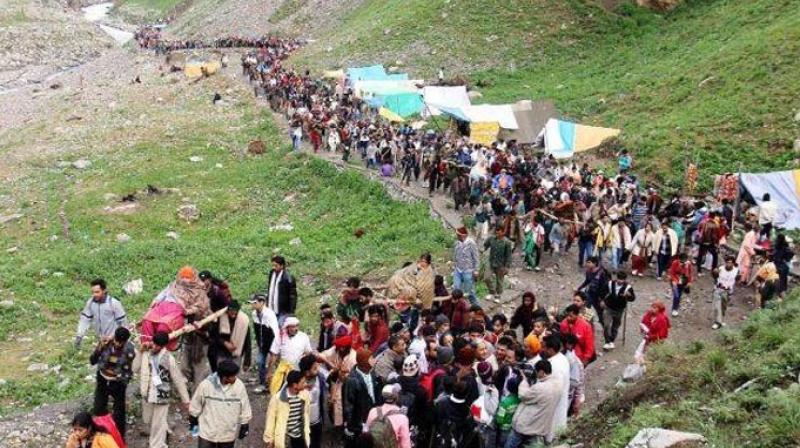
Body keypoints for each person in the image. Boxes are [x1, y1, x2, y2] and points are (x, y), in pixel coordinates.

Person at [135, 332, 190, 448]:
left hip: (161, 396)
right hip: (147, 394)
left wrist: (186, 400)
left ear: (163, 346)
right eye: (154, 344)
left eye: (158, 346)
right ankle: (162, 435)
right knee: (149, 420)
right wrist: (139, 352)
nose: (154, 347)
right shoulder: (145, 354)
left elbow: (178, 380)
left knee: (157, 424)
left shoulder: (169, 359)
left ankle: (156, 444)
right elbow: (134, 368)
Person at [189, 360, 252, 448]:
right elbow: (195, 404)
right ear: (224, 377)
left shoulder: (239, 386)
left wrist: (245, 424)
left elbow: (245, 406)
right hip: (207, 433)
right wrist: (193, 419)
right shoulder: (206, 385)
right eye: (232, 376)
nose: (235, 378)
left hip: (227, 433)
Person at [90, 326, 135, 440]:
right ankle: (99, 436)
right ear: (114, 337)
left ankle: (119, 438)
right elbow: (92, 360)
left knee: (119, 412)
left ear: (125, 341)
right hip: (103, 379)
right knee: (99, 408)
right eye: (116, 341)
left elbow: (128, 371)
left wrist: (122, 383)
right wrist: (100, 347)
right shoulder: (106, 343)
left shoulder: (129, 351)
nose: (118, 344)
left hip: (118, 382)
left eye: (121, 343)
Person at [505, 360, 562, 448]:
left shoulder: (540, 387)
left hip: (525, 426)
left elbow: (523, 395)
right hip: (539, 428)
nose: (535, 374)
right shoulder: (558, 384)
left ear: (542, 372)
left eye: (537, 371)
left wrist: (524, 381)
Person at [343, 348, 383, 448]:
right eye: (371, 359)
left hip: (372, 417)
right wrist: (349, 425)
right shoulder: (352, 380)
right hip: (359, 420)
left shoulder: (373, 374)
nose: (374, 361)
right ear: (364, 362)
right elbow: (349, 404)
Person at [318, 335, 357, 429]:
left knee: (344, 404)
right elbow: (320, 355)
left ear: (347, 347)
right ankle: (337, 424)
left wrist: (340, 372)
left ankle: (345, 425)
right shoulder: (335, 349)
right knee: (333, 403)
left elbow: (351, 375)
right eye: (339, 347)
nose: (339, 349)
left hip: (347, 383)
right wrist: (330, 364)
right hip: (335, 381)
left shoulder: (353, 357)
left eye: (342, 347)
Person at [75, 279, 128, 349]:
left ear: (104, 291)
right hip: (101, 341)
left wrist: (116, 338)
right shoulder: (90, 303)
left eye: (97, 292)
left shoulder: (114, 303)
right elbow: (85, 320)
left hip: (114, 341)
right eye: (92, 292)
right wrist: (79, 336)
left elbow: (123, 323)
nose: (94, 295)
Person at [263, 370, 310, 448]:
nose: (305, 384)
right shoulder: (277, 399)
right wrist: (270, 439)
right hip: (284, 437)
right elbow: (270, 419)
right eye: (303, 383)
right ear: (295, 385)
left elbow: (306, 414)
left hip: (299, 436)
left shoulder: (305, 395)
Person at [269, 316, 313, 394]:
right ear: (287, 327)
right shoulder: (280, 336)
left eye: (297, 326)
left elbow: (308, 353)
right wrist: (269, 372)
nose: (295, 328)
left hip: (298, 369)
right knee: (278, 390)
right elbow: (274, 355)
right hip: (283, 368)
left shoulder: (303, 337)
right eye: (293, 326)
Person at [540, 335, 569, 442]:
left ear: (551, 349)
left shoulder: (554, 366)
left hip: (554, 405)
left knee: (552, 432)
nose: (542, 350)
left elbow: (553, 390)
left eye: (544, 347)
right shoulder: (562, 358)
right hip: (558, 403)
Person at [252, 294, 280, 393]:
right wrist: (259, 344)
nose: (253, 305)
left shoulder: (269, 314)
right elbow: (256, 330)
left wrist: (274, 350)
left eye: (255, 303)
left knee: (275, 363)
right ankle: (263, 383)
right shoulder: (254, 314)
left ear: (262, 302)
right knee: (260, 362)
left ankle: (276, 382)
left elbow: (275, 333)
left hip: (272, 341)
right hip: (262, 343)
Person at [601, 271, 635, 350]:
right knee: (606, 325)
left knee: (615, 326)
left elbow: (632, 298)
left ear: (625, 280)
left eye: (622, 279)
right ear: (616, 278)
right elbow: (603, 292)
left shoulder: (628, 287)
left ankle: (612, 340)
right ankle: (607, 341)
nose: (620, 281)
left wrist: (628, 296)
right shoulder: (610, 283)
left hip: (619, 309)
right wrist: (602, 300)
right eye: (619, 279)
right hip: (608, 307)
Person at [218, 300, 251, 368]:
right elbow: (214, 335)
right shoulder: (221, 318)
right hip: (222, 353)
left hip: (237, 354)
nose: (233, 313)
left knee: (233, 376)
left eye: (235, 311)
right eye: (231, 311)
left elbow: (247, 341)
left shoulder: (243, 321)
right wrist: (225, 343)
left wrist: (247, 362)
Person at [266, 255, 298, 323]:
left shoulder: (288, 278)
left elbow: (292, 296)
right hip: (271, 309)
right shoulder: (272, 273)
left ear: (282, 266)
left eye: (276, 266)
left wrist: (291, 312)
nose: (274, 268)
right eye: (273, 265)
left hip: (282, 311)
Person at [454, 226, 480, 306]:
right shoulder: (457, 243)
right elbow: (455, 255)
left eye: (458, 234)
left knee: (470, 291)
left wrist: (476, 270)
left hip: (468, 270)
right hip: (458, 269)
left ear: (463, 235)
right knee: (456, 288)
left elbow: (476, 257)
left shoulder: (471, 243)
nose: (456, 236)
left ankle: (476, 307)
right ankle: (458, 306)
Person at [484, 227, 513, 295]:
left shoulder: (507, 242)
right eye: (496, 231)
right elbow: (485, 245)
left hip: (501, 265)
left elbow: (508, 255)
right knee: (486, 278)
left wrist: (507, 267)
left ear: (503, 232)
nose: (497, 233)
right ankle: (492, 292)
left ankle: (498, 295)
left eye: (498, 231)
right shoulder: (491, 238)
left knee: (499, 282)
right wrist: (483, 249)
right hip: (491, 262)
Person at [561, 334, 585, 417]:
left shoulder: (573, 361)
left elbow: (578, 383)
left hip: (567, 397)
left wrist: (577, 401)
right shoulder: (566, 357)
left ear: (568, 345)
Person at [712, 256, 738, 329]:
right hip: (719, 289)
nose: (728, 264)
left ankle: (720, 319)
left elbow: (737, 280)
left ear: (733, 263)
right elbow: (714, 277)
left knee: (723, 307)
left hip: (728, 291)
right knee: (717, 306)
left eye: (730, 263)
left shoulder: (736, 271)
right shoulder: (720, 269)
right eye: (727, 262)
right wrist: (715, 285)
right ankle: (717, 322)